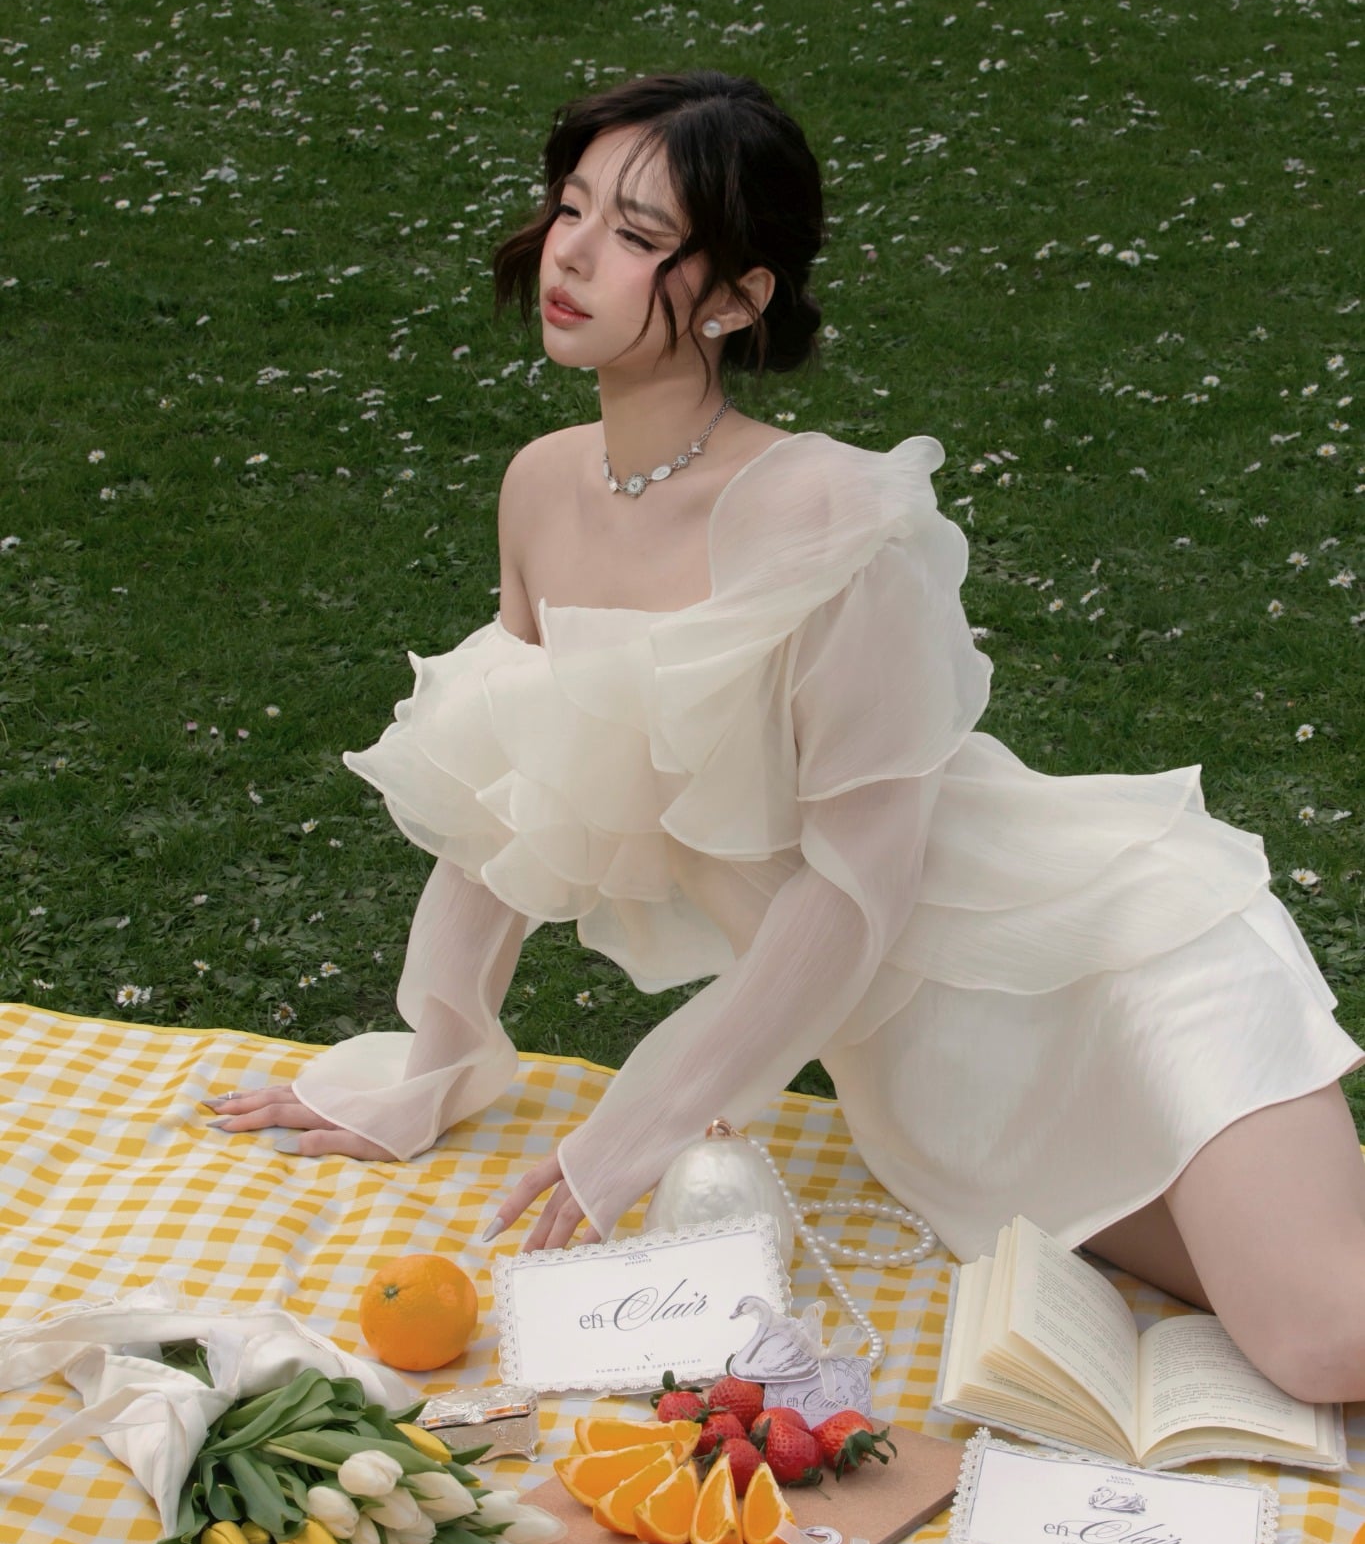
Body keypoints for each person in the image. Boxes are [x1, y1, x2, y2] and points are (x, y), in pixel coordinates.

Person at [213, 70, 1365, 1403]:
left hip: (1106, 965)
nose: (571, 254)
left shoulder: (827, 512)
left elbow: (858, 880)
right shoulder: (539, 488)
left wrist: (640, 1120)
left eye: (638, 234)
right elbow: (507, 794)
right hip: (932, 1094)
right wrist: (434, 1058)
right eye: (571, 207)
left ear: (735, 297)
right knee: (1282, 1301)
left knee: (1322, 1341)